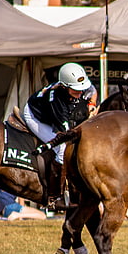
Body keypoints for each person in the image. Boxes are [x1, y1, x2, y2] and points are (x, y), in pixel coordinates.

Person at [23, 63, 97, 207]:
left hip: (54, 113)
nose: (80, 93)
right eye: (76, 90)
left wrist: (91, 104)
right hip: (35, 116)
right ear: (64, 86)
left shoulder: (79, 86)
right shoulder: (56, 102)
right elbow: (66, 133)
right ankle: (55, 196)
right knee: (62, 150)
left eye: (81, 89)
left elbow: (92, 90)